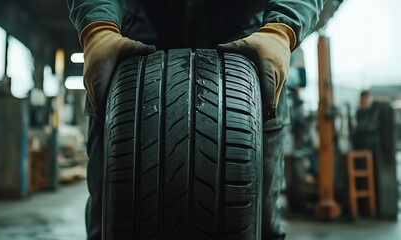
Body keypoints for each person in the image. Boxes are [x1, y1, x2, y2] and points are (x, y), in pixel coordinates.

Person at [67, 1, 324, 239]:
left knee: (258, 225)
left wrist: (282, 28)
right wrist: (98, 27)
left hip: (249, 69)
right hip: (129, 70)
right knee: (111, 224)